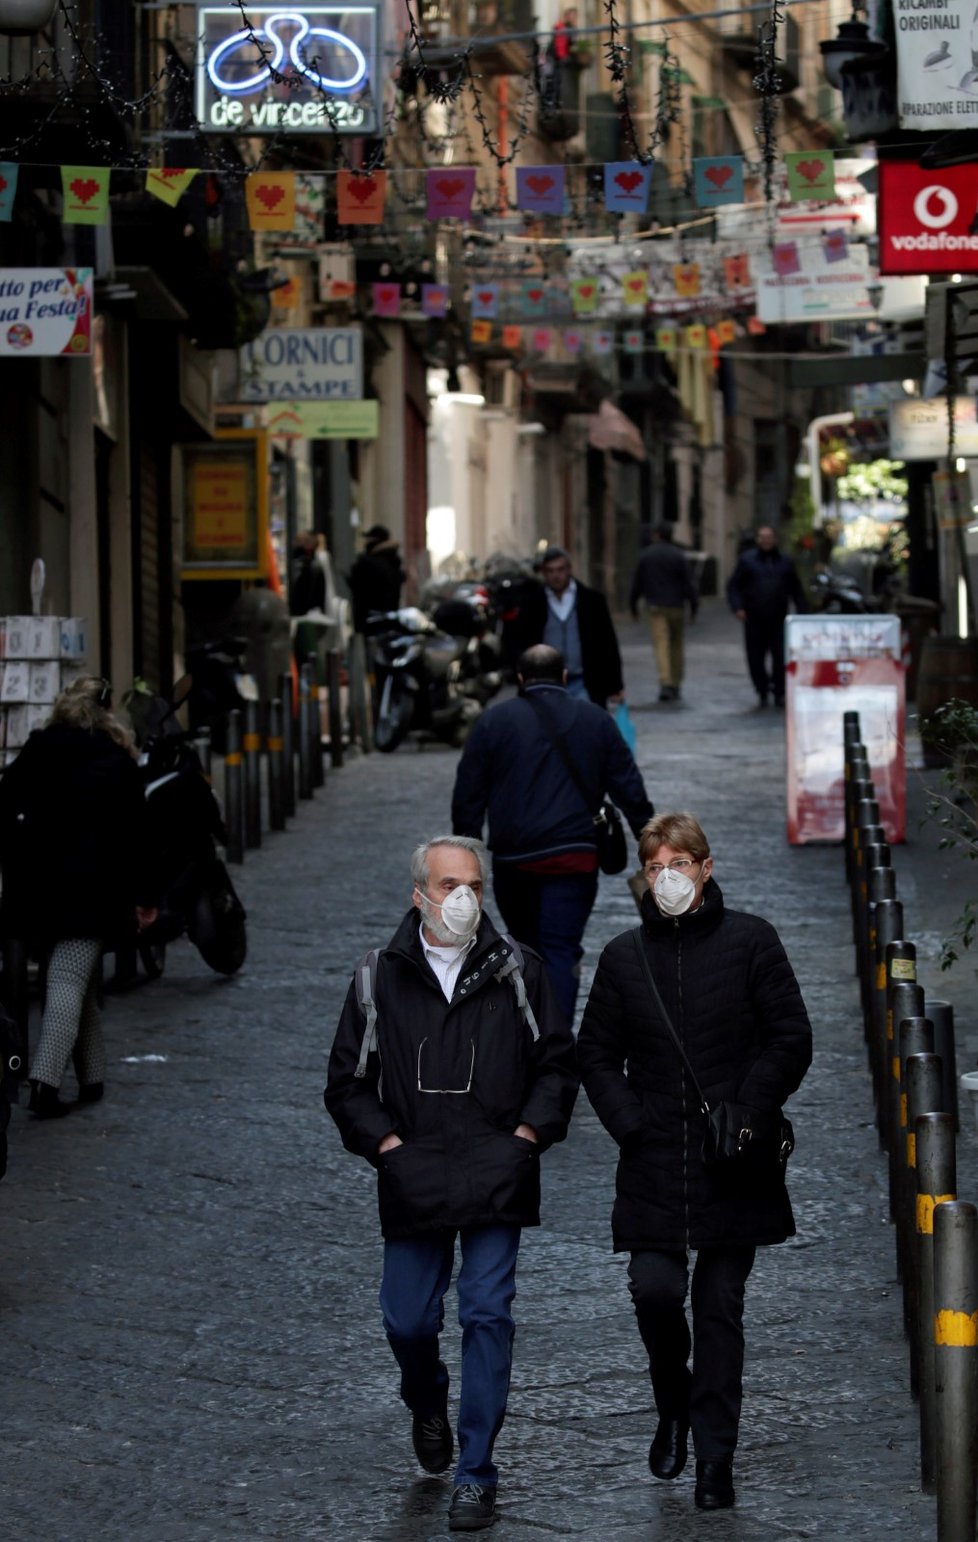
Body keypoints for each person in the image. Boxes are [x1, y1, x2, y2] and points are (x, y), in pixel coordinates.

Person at [324, 835, 577, 1533]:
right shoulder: (379, 976)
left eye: (472, 883)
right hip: (415, 1173)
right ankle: (427, 1401)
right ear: (419, 895)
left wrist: (527, 1137)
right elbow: (345, 1083)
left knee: (487, 1314)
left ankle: (476, 1471)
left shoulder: (518, 969)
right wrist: (389, 1145)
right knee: (406, 1318)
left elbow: (558, 1065)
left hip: (496, 1168)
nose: (461, 897)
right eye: (446, 884)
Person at [576, 811, 812, 1511]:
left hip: (732, 1161)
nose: (668, 877)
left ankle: (715, 1455)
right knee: (653, 1291)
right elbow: (594, 1054)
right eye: (655, 867)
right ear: (642, 877)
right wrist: (629, 1123)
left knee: (719, 1306)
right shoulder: (624, 957)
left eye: (680, 863)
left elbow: (790, 1038)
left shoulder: (751, 942)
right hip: (653, 1158)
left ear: (706, 868)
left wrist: (750, 1106)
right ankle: (672, 1403)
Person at [452, 644, 654, 1025]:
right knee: (561, 949)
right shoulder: (596, 721)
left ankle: (529, 1036)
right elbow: (630, 789)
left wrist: (466, 858)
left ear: (521, 679)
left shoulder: (494, 722)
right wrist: (652, 847)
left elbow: (468, 795)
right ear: (564, 676)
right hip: (574, 855)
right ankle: (556, 1043)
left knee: (525, 947)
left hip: (514, 859)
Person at [0, 677, 159, 1117]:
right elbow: (137, 837)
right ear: (107, 711)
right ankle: (45, 1083)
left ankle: (93, 1078)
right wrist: (146, 897)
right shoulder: (117, 759)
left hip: (38, 887)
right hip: (93, 889)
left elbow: (6, 798)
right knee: (69, 979)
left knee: (75, 976)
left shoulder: (41, 747)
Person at [509, 546, 625, 705]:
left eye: (560, 569)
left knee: (586, 725)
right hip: (544, 682)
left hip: (584, 680)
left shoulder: (591, 601)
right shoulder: (532, 603)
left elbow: (607, 643)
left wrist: (615, 685)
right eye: (550, 571)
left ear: (569, 570)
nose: (556, 576)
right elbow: (521, 643)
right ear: (544, 573)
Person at [726, 525, 806, 708]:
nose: (766, 540)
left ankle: (779, 690)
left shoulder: (785, 562)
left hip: (778, 617)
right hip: (754, 618)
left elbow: (796, 589)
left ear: (775, 539)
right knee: (756, 657)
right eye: (762, 537)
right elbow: (733, 586)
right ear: (758, 539)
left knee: (780, 656)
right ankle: (761, 689)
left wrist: (802, 612)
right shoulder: (747, 561)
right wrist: (737, 607)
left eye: (769, 536)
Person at [629, 524, 700, 703]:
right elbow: (689, 583)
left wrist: (633, 606)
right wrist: (693, 607)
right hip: (676, 605)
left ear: (657, 535)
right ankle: (676, 681)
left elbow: (637, 582)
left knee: (661, 644)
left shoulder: (646, 555)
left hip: (656, 606)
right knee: (676, 645)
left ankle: (666, 681)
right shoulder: (678, 555)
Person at [347, 523, 406, 634]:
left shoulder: (370, 562)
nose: (365, 542)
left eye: (368, 539)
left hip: (372, 620)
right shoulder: (391, 560)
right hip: (387, 619)